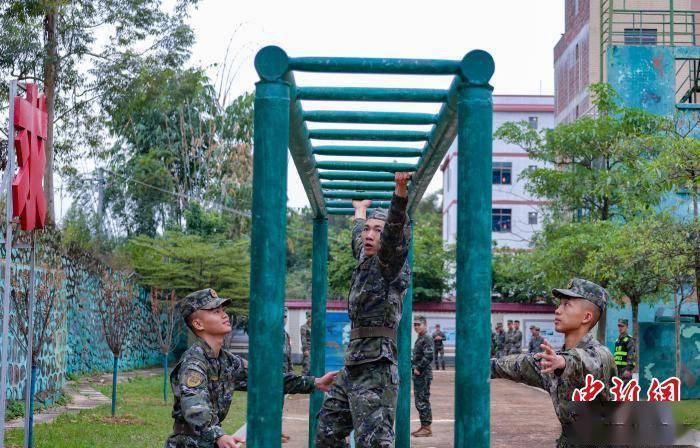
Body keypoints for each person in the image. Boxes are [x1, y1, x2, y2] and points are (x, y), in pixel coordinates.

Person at [165, 288, 337, 448]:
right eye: (216, 312)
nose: (224, 315)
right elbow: (195, 406)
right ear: (198, 324)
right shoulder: (194, 361)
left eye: (223, 310)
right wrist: (219, 435)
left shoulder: (227, 361)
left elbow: (268, 380)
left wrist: (316, 382)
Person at [315, 172, 412, 448]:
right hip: (353, 365)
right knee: (327, 433)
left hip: (376, 368)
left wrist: (400, 191)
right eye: (368, 228)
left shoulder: (388, 265)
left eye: (376, 230)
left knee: (373, 442)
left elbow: (393, 232)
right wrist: (360, 211)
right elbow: (358, 238)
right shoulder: (365, 256)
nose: (369, 235)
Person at [490, 279, 616, 448]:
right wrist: (482, 367)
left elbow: (587, 362)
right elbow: (518, 364)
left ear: (587, 317)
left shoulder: (602, 355)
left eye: (566, 305)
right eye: (559, 305)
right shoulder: (552, 361)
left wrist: (563, 362)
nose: (557, 310)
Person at [411, 315, 434, 438]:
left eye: (418, 324)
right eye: (414, 325)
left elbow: (429, 355)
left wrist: (418, 368)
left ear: (425, 324)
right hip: (420, 374)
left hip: (423, 374)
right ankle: (424, 426)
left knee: (422, 401)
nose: (416, 327)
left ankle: (427, 428)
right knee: (420, 400)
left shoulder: (427, 337)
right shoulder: (420, 337)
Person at [300, 311, 312, 375]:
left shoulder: (315, 327)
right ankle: (304, 382)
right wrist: (305, 349)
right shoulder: (303, 327)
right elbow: (303, 339)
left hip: (314, 350)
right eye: (309, 316)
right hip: (308, 349)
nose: (310, 318)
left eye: (311, 316)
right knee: (306, 367)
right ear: (306, 317)